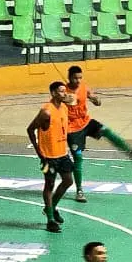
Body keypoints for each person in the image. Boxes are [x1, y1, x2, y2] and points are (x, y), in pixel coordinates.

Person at [62, 67, 132, 203]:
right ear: (69, 77)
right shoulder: (63, 91)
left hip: (86, 122)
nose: (78, 80)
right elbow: (54, 103)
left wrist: (95, 100)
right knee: (78, 158)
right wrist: (64, 100)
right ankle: (79, 190)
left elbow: (95, 100)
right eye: (75, 78)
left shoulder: (83, 88)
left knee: (106, 130)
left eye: (80, 78)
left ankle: (130, 152)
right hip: (72, 129)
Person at [27, 81, 74, 232]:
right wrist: (39, 152)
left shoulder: (64, 108)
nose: (64, 93)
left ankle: (51, 207)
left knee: (68, 181)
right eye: (61, 91)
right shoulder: (46, 112)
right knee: (49, 185)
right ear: (53, 93)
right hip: (48, 156)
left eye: (65, 91)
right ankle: (50, 221)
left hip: (62, 153)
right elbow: (30, 129)